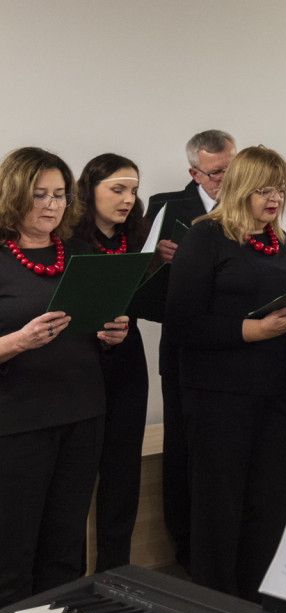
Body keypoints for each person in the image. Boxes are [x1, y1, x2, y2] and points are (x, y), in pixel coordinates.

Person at [165, 146, 286, 600]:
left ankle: (261, 602)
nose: (275, 199)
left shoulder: (280, 238)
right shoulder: (205, 237)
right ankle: (217, 605)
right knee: (221, 504)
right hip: (219, 393)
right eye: (264, 189)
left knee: (270, 501)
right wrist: (254, 330)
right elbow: (182, 324)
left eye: (282, 189)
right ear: (239, 188)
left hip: (279, 389)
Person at [0, 147, 130, 609]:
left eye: (59, 194)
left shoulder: (78, 252)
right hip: (18, 425)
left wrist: (112, 334)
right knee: (12, 553)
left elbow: (92, 331)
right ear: (14, 195)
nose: (52, 205)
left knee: (65, 549)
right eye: (39, 194)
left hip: (82, 414)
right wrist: (18, 341)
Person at [144, 129, 236, 574]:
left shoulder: (252, 204)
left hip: (237, 349)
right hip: (184, 347)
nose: (226, 179)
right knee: (183, 452)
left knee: (224, 455)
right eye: (217, 172)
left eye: (231, 168)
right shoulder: (167, 207)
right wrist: (157, 261)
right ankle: (185, 549)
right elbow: (139, 280)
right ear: (194, 173)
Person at [72, 154, 149, 572]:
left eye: (133, 191)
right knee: (78, 479)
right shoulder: (69, 241)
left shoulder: (137, 238)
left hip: (126, 362)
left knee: (123, 477)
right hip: (82, 364)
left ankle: (115, 573)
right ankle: (73, 580)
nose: (127, 199)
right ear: (90, 191)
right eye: (117, 189)